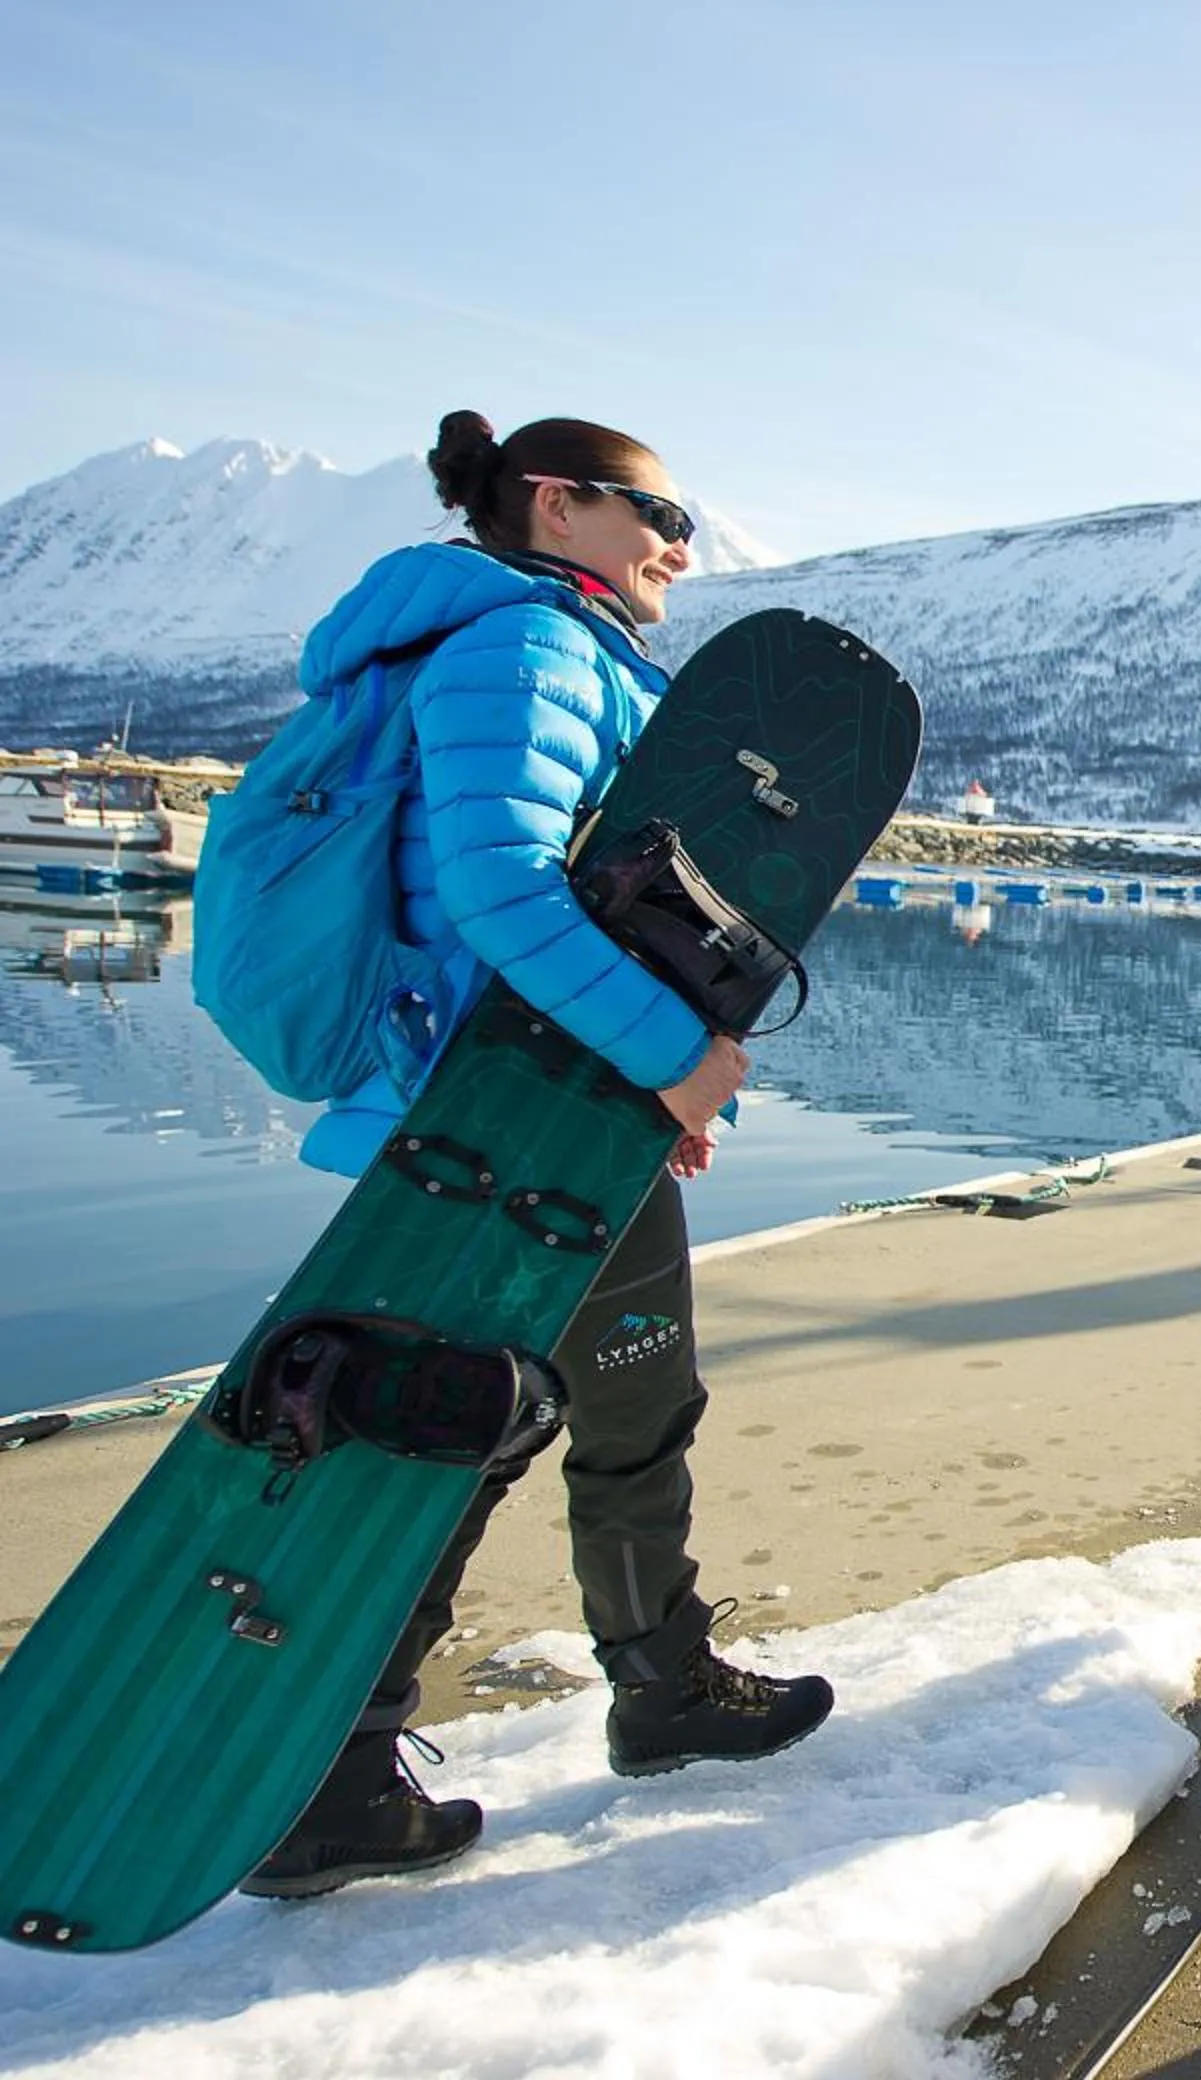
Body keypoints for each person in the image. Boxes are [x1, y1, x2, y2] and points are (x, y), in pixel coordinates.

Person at [241, 413, 834, 1900]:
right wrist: (671, 1060)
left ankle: (650, 1683)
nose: (682, 546)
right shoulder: (526, 646)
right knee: (476, 1424)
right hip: (505, 1116)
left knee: (620, 1400)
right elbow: (501, 890)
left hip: (548, 1106)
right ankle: (334, 1773)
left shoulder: (546, 644)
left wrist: (651, 1095)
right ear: (559, 506)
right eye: (660, 514)